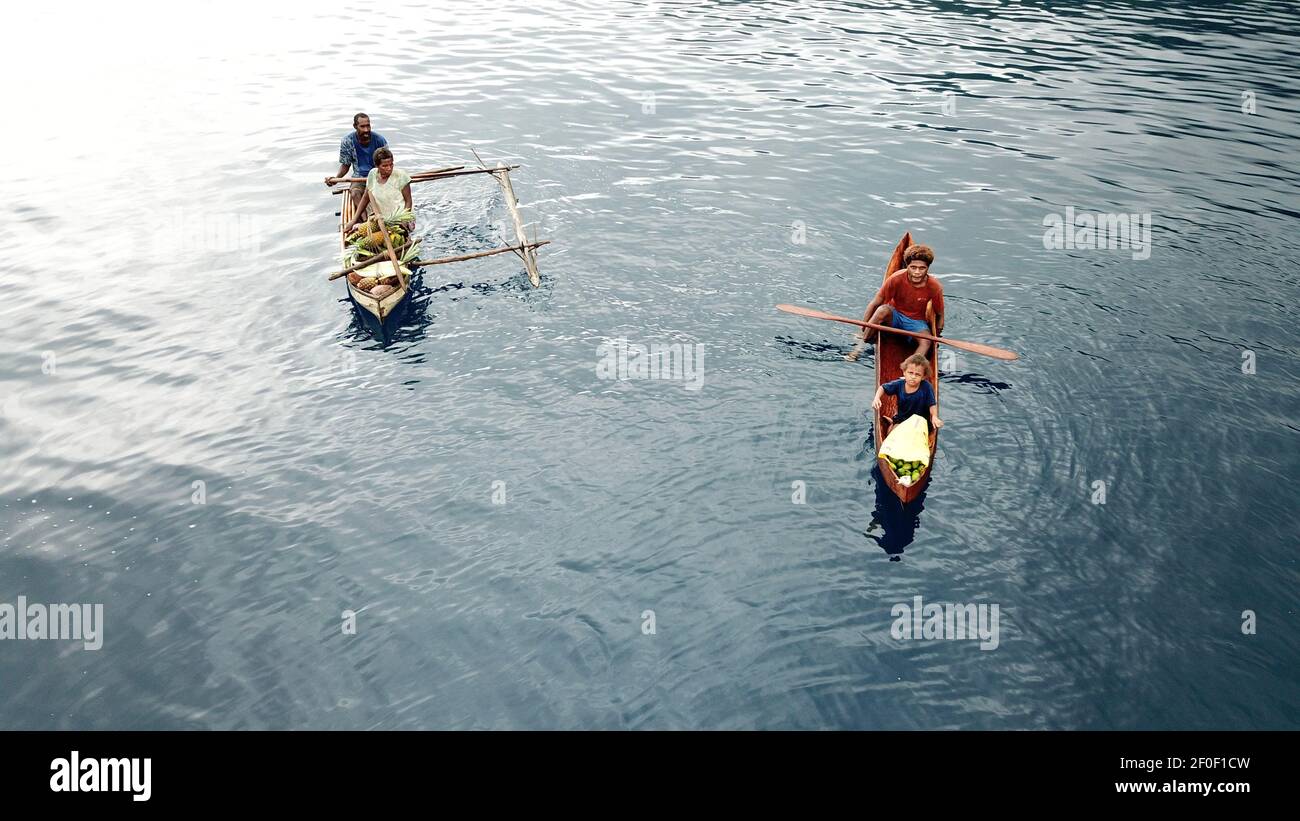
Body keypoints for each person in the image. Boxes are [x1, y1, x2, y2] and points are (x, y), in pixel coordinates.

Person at [859, 243, 945, 358]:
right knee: (882, 310)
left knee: (926, 342)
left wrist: (937, 337)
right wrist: (863, 329)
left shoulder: (935, 286)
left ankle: (911, 368)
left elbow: (940, 315)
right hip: (894, 315)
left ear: (927, 268)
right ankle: (862, 343)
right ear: (907, 266)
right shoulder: (896, 278)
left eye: (922, 268)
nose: (917, 272)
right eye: (913, 267)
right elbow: (875, 303)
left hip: (916, 322)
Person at [343, 147, 414, 235]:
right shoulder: (372, 174)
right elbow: (365, 198)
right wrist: (353, 220)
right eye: (384, 166)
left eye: (391, 164)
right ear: (377, 166)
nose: (389, 168)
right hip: (381, 218)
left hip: (400, 217)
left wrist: (404, 220)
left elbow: (408, 201)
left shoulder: (401, 176)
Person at [325, 113, 389, 206]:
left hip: (378, 176)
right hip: (359, 178)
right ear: (355, 126)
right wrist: (336, 179)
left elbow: (387, 164)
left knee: (385, 195)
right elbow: (345, 165)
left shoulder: (380, 140)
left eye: (368, 126)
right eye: (362, 127)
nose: (366, 130)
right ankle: (365, 219)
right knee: (355, 193)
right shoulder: (347, 141)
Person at [872, 353, 943, 432]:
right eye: (910, 373)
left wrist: (934, 416)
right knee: (891, 434)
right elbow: (883, 387)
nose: (913, 377)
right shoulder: (899, 384)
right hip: (903, 420)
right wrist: (877, 398)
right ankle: (892, 423)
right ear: (904, 372)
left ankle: (893, 422)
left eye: (918, 374)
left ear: (923, 377)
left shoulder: (926, 387)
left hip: (920, 423)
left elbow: (932, 404)